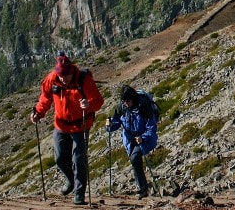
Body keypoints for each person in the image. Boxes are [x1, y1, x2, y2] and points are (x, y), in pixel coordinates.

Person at [30, 52, 104, 205]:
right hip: (61, 125)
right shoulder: (52, 79)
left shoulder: (83, 79)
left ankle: (79, 193)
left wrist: (89, 105)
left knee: (78, 159)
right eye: (61, 76)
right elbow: (45, 98)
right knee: (60, 158)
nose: (63, 79)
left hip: (81, 125)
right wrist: (38, 113)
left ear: (71, 71)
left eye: (66, 76)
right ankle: (71, 179)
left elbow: (98, 100)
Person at [106, 85, 158, 198]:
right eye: (124, 101)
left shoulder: (144, 106)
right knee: (135, 161)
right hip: (130, 139)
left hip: (145, 138)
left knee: (135, 158)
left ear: (133, 99)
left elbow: (152, 127)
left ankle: (143, 188)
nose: (126, 103)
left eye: (128, 101)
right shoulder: (121, 108)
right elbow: (116, 123)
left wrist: (143, 137)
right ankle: (143, 188)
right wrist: (110, 125)